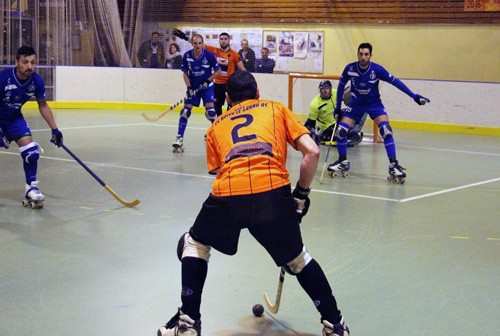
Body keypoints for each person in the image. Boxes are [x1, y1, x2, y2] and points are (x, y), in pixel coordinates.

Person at [157, 71, 350, 336]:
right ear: (257, 92)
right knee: (297, 259)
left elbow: (218, 170)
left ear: (227, 98)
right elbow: (312, 152)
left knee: (194, 244)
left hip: (230, 193)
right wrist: (300, 196)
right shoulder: (276, 109)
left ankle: (188, 324)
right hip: (273, 193)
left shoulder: (216, 126)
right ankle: (335, 325)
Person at [327, 42, 429, 183]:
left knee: (386, 130)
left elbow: (396, 82)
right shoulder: (349, 68)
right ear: (357, 54)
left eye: (366, 54)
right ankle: (342, 161)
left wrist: (414, 96)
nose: (363, 57)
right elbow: (341, 87)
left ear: (370, 55)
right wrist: (338, 108)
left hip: (374, 104)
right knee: (341, 131)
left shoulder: (377, 70)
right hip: (355, 105)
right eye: (361, 54)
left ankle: (394, 165)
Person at [0, 46, 63, 208]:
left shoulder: (36, 81)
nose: (30, 66)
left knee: (31, 152)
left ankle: (31, 188)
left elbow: (43, 106)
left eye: (32, 62)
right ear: (17, 62)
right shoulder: (4, 78)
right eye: (25, 62)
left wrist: (55, 129)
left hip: (14, 119)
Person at [172, 34, 219, 153]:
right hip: (193, 87)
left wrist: (208, 80)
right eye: (195, 43)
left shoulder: (209, 55)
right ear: (192, 44)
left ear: (203, 43)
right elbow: (185, 73)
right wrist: (189, 88)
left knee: (211, 113)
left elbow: (218, 71)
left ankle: (219, 137)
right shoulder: (187, 56)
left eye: (199, 43)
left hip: (207, 87)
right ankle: (179, 139)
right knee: (185, 112)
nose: (197, 46)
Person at [306, 80, 365, 147]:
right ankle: (349, 135)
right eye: (322, 89)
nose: (325, 91)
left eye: (327, 88)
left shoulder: (335, 93)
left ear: (330, 89)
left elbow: (346, 96)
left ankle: (353, 132)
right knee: (341, 131)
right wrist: (312, 137)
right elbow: (310, 123)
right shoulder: (314, 104)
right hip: (326, 127)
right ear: (319, 90)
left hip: (337, 119)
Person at [206, 32, 246, 116]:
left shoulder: (235, 54)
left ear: (229, 40)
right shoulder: (214, 51)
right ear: (219, 40)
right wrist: (186, 38)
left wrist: (248, 81)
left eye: (225, 39)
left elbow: (243, 70)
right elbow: (199, 45)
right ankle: (218, 124)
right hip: (217, 84)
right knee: (217, 106)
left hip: (229, 83)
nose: (223, 41)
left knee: (232, 106)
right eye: (221, 39)